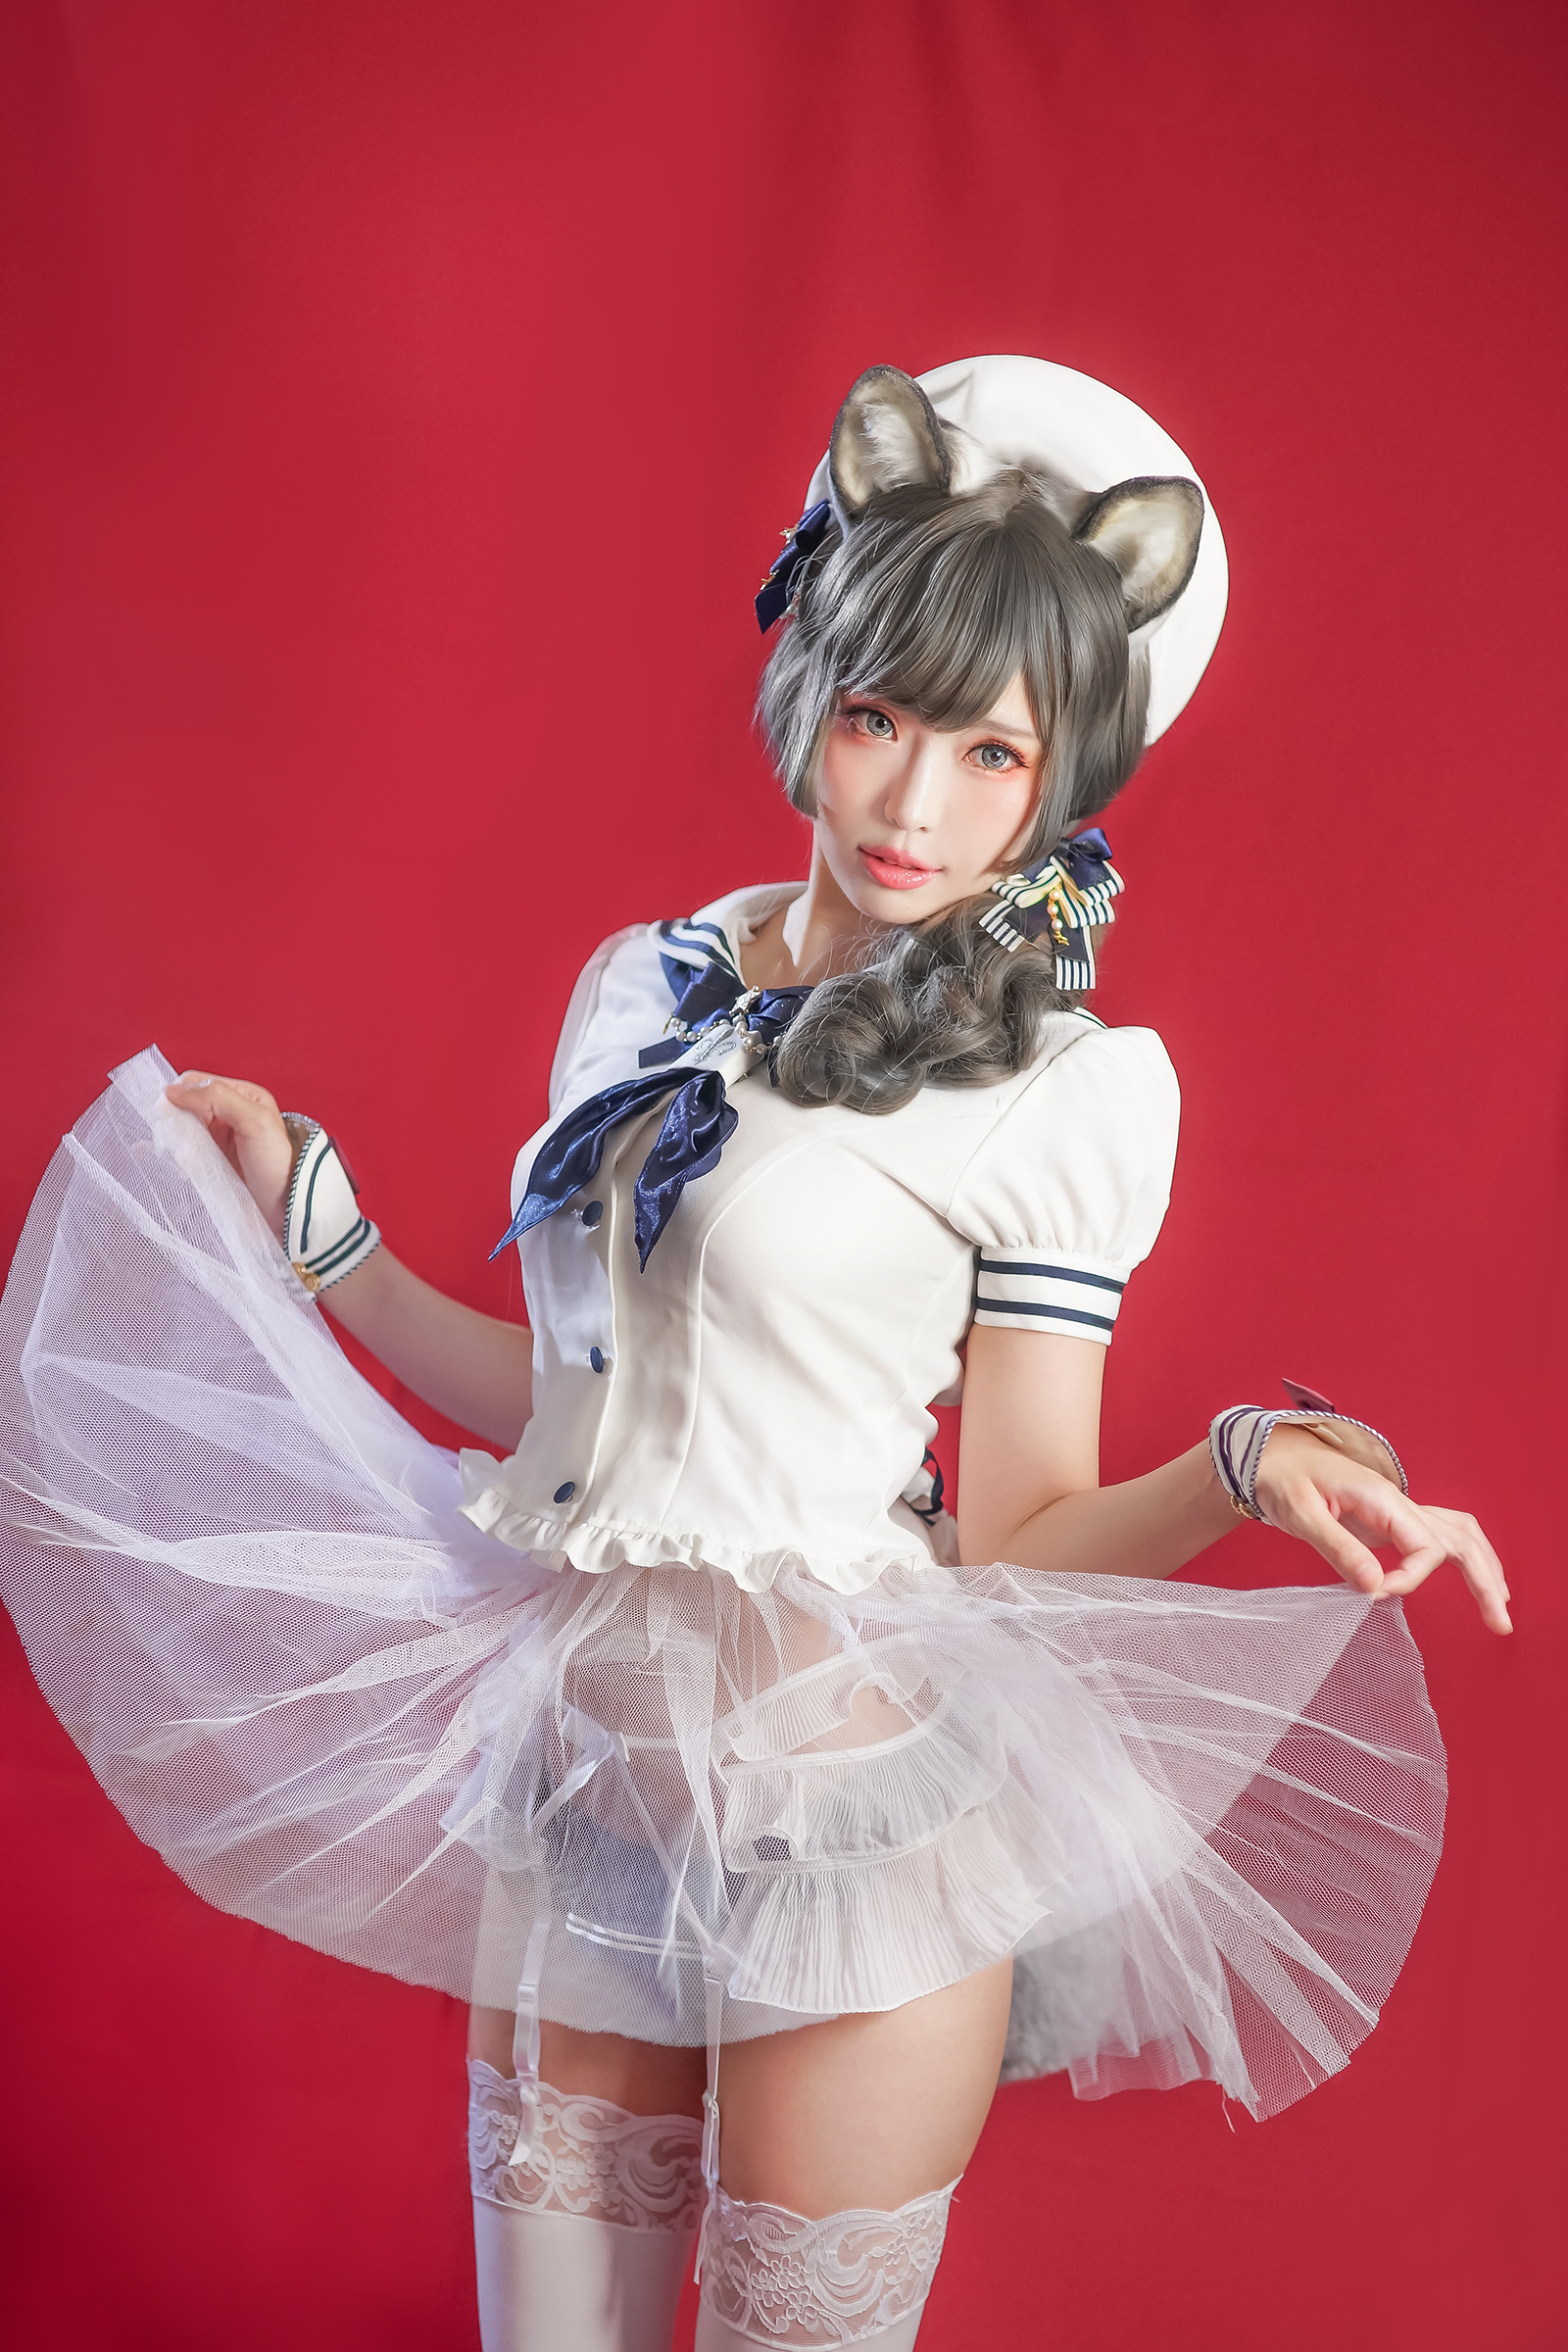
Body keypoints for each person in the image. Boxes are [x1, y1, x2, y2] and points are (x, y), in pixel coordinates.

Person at [0, 357, 1509, 2352]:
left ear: (1060, 774)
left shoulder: (1068, 1089)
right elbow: (579, 1425)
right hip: (583, 1793)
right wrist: (326, 1230)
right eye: (880, 718)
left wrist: (1242, 1457)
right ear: (811, 684)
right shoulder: (646, 981)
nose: (913, 803)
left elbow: (1019, 1535)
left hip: (854, 1831)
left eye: (990, 750)